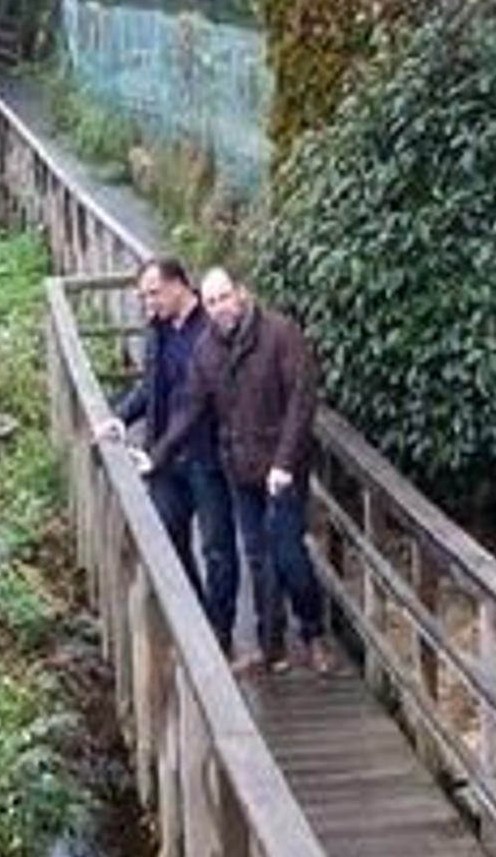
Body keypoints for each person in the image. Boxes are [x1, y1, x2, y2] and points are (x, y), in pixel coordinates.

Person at [147, 264, 331, 676]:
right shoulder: (207, 350)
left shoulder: (281, 334)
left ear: (242, 294)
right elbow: (190, 409)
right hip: (241, 470)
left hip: (281, 469)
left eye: (224, 298)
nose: (218, 308)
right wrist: (157, 455)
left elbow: (302, 402)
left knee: (289, 556)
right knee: (258, 558)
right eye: (211, 302)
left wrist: (284, 464)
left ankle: (313, 633)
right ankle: (272, 648)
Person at [97, 256, 237, 652]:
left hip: (206, 457)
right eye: (143, 296)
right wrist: (121, 419)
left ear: (181, 285)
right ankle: (196, 621)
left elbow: (203, 403)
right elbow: (149, 386)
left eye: (154, 293)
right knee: (168, 538)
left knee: (218, 548)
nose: (149, 303)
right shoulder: (156, 329)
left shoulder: (210, 331)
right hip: (163, 457)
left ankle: (222, 635)